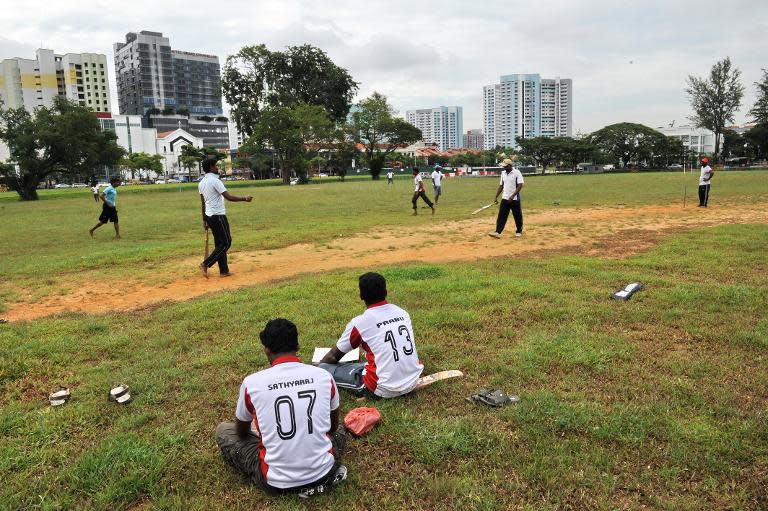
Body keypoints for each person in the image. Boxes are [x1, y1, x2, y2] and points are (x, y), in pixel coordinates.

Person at [216, 318, 347, 497]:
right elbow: (332, 427)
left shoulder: (252, 383)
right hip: (324, 472)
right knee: (339, 427)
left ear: (267, 350)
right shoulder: (323, 376)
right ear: (297, 347)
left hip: (275, 482)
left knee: (224, 431)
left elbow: (240, 432)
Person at [319, 272, 424, 398]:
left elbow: (332, 357)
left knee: (326, 368)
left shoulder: (360, 322)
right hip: (413, 379)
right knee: (363, 364)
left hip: (382, 388)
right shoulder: (402, 313)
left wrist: (319, 365)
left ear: (361, 295)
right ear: (386, 292)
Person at [199, 158, 253, 278]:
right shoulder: (215, 181)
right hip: (218, 216)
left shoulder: (201, 183)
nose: (217, 168)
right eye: (216, 166)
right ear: (211, 167)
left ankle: (223, 271)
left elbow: (202, 203)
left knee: (220, 243)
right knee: (226, 243)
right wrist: (244, 198)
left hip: (209, 217)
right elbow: (229, 197)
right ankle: (205, 264)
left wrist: (204, 220)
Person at [489, 158, 524, 238]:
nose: (504, 168)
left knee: (517, 215)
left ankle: (519, 231)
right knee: (501, 215)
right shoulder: (503, 173)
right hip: (505, 198)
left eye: (505, 166)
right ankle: (498, 232)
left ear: (510, 165)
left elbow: (520, 185)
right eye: (503, 166)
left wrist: (512, 196)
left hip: (514, 199)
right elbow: (501, 186)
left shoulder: (516, 172)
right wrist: (496, 197)